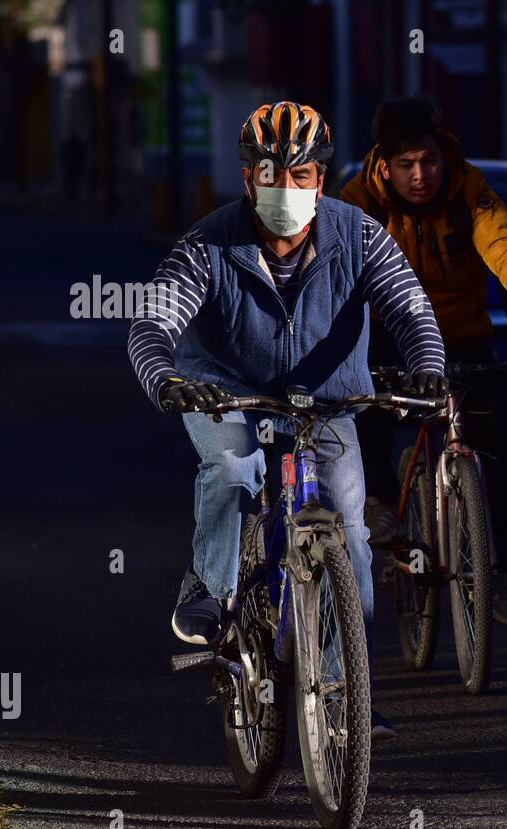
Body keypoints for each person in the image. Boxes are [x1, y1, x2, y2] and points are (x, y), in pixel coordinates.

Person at [126, 101, 446, 739]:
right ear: (248, 180)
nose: (288, 188)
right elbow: (152, 321)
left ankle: (346, 692)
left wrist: (428, 368)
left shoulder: (357, 235)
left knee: (351, 531)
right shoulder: (207, 244)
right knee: (233, 463)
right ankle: (211, 588)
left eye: (302, 175)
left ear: (321, 180)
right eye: (272, 174)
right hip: (224, 390)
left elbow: (410, 307)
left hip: (327, 397)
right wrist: (164, 377)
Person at [340, 96, 507, 627]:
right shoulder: (358, 202)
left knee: (499, 443)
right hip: (387, 337)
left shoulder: (470, 193)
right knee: (358, 403)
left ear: (442, 155)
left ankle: (496, 573)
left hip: (460, 340)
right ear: (384, 164)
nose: (420, 175)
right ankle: (380, 499)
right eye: (406, 166)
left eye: (428, 161)